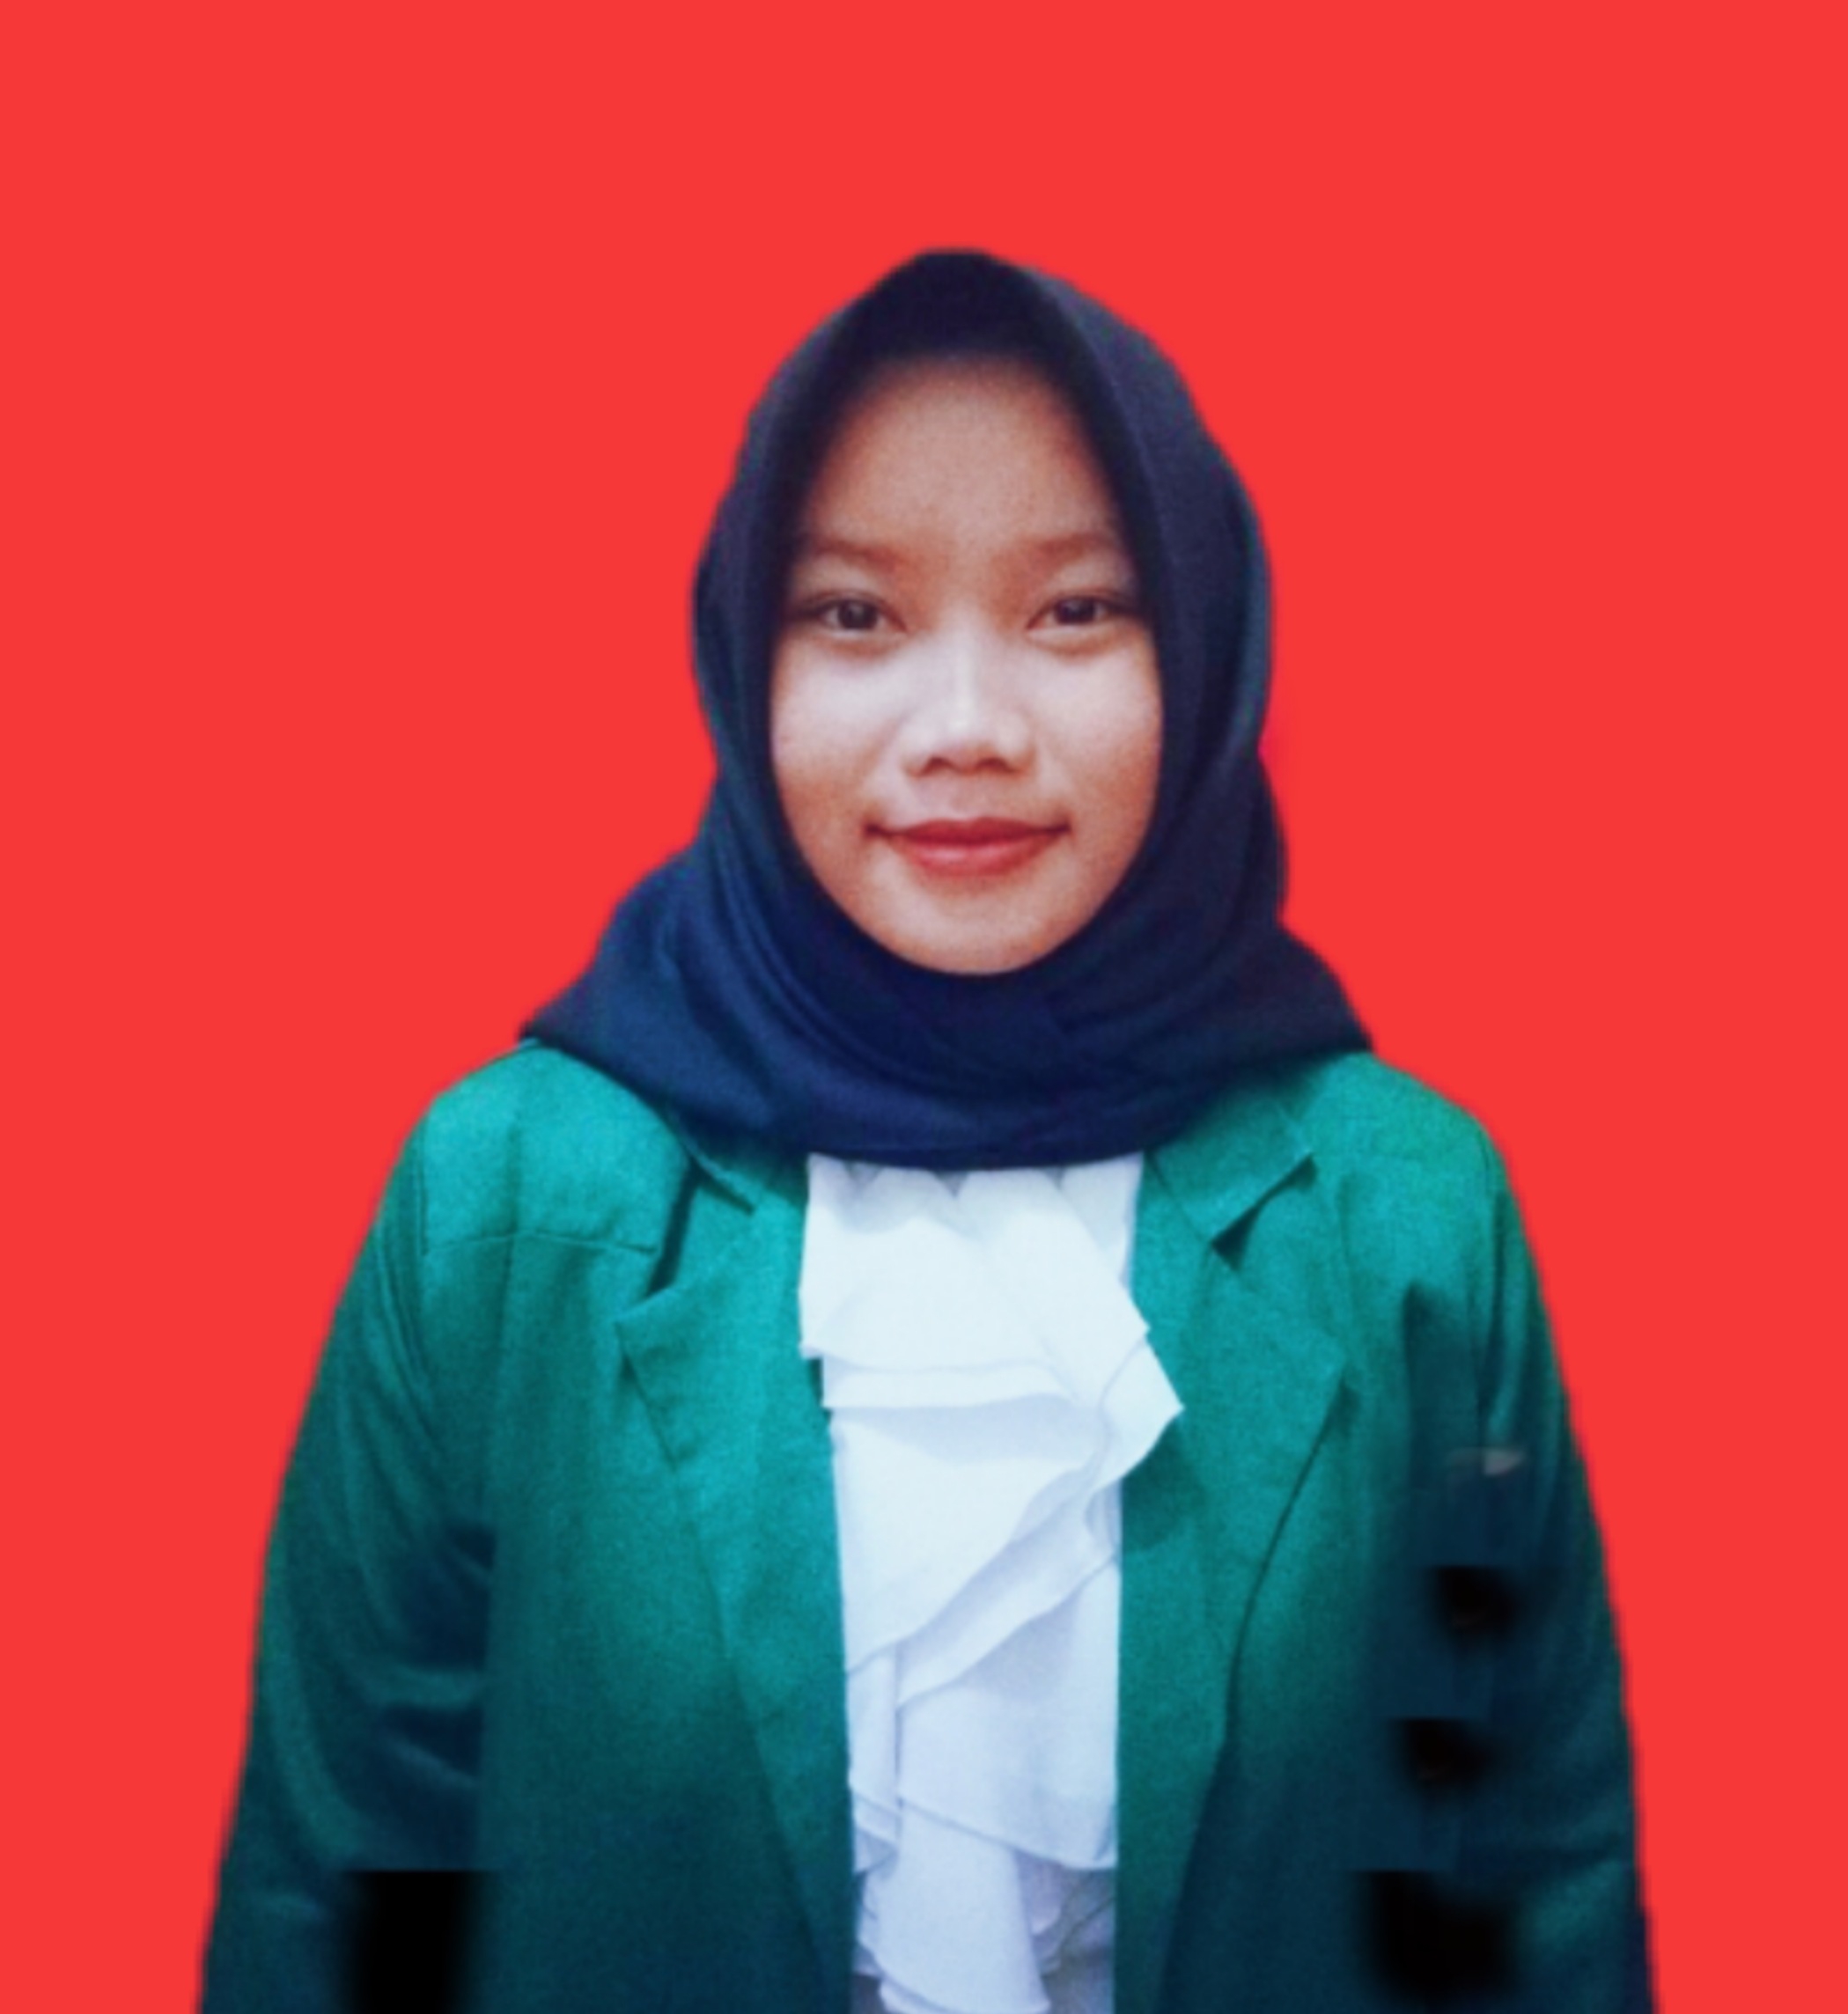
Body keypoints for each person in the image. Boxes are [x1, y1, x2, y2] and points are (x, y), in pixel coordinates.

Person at [202, 250, 1652, 2013]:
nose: (966, 730)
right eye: (855, 615)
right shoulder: (504, 1203)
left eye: (1076, 610)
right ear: (744, 655)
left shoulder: (1410, 1210)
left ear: (1202, 649)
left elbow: (1527, 1894)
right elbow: (343, 1901)